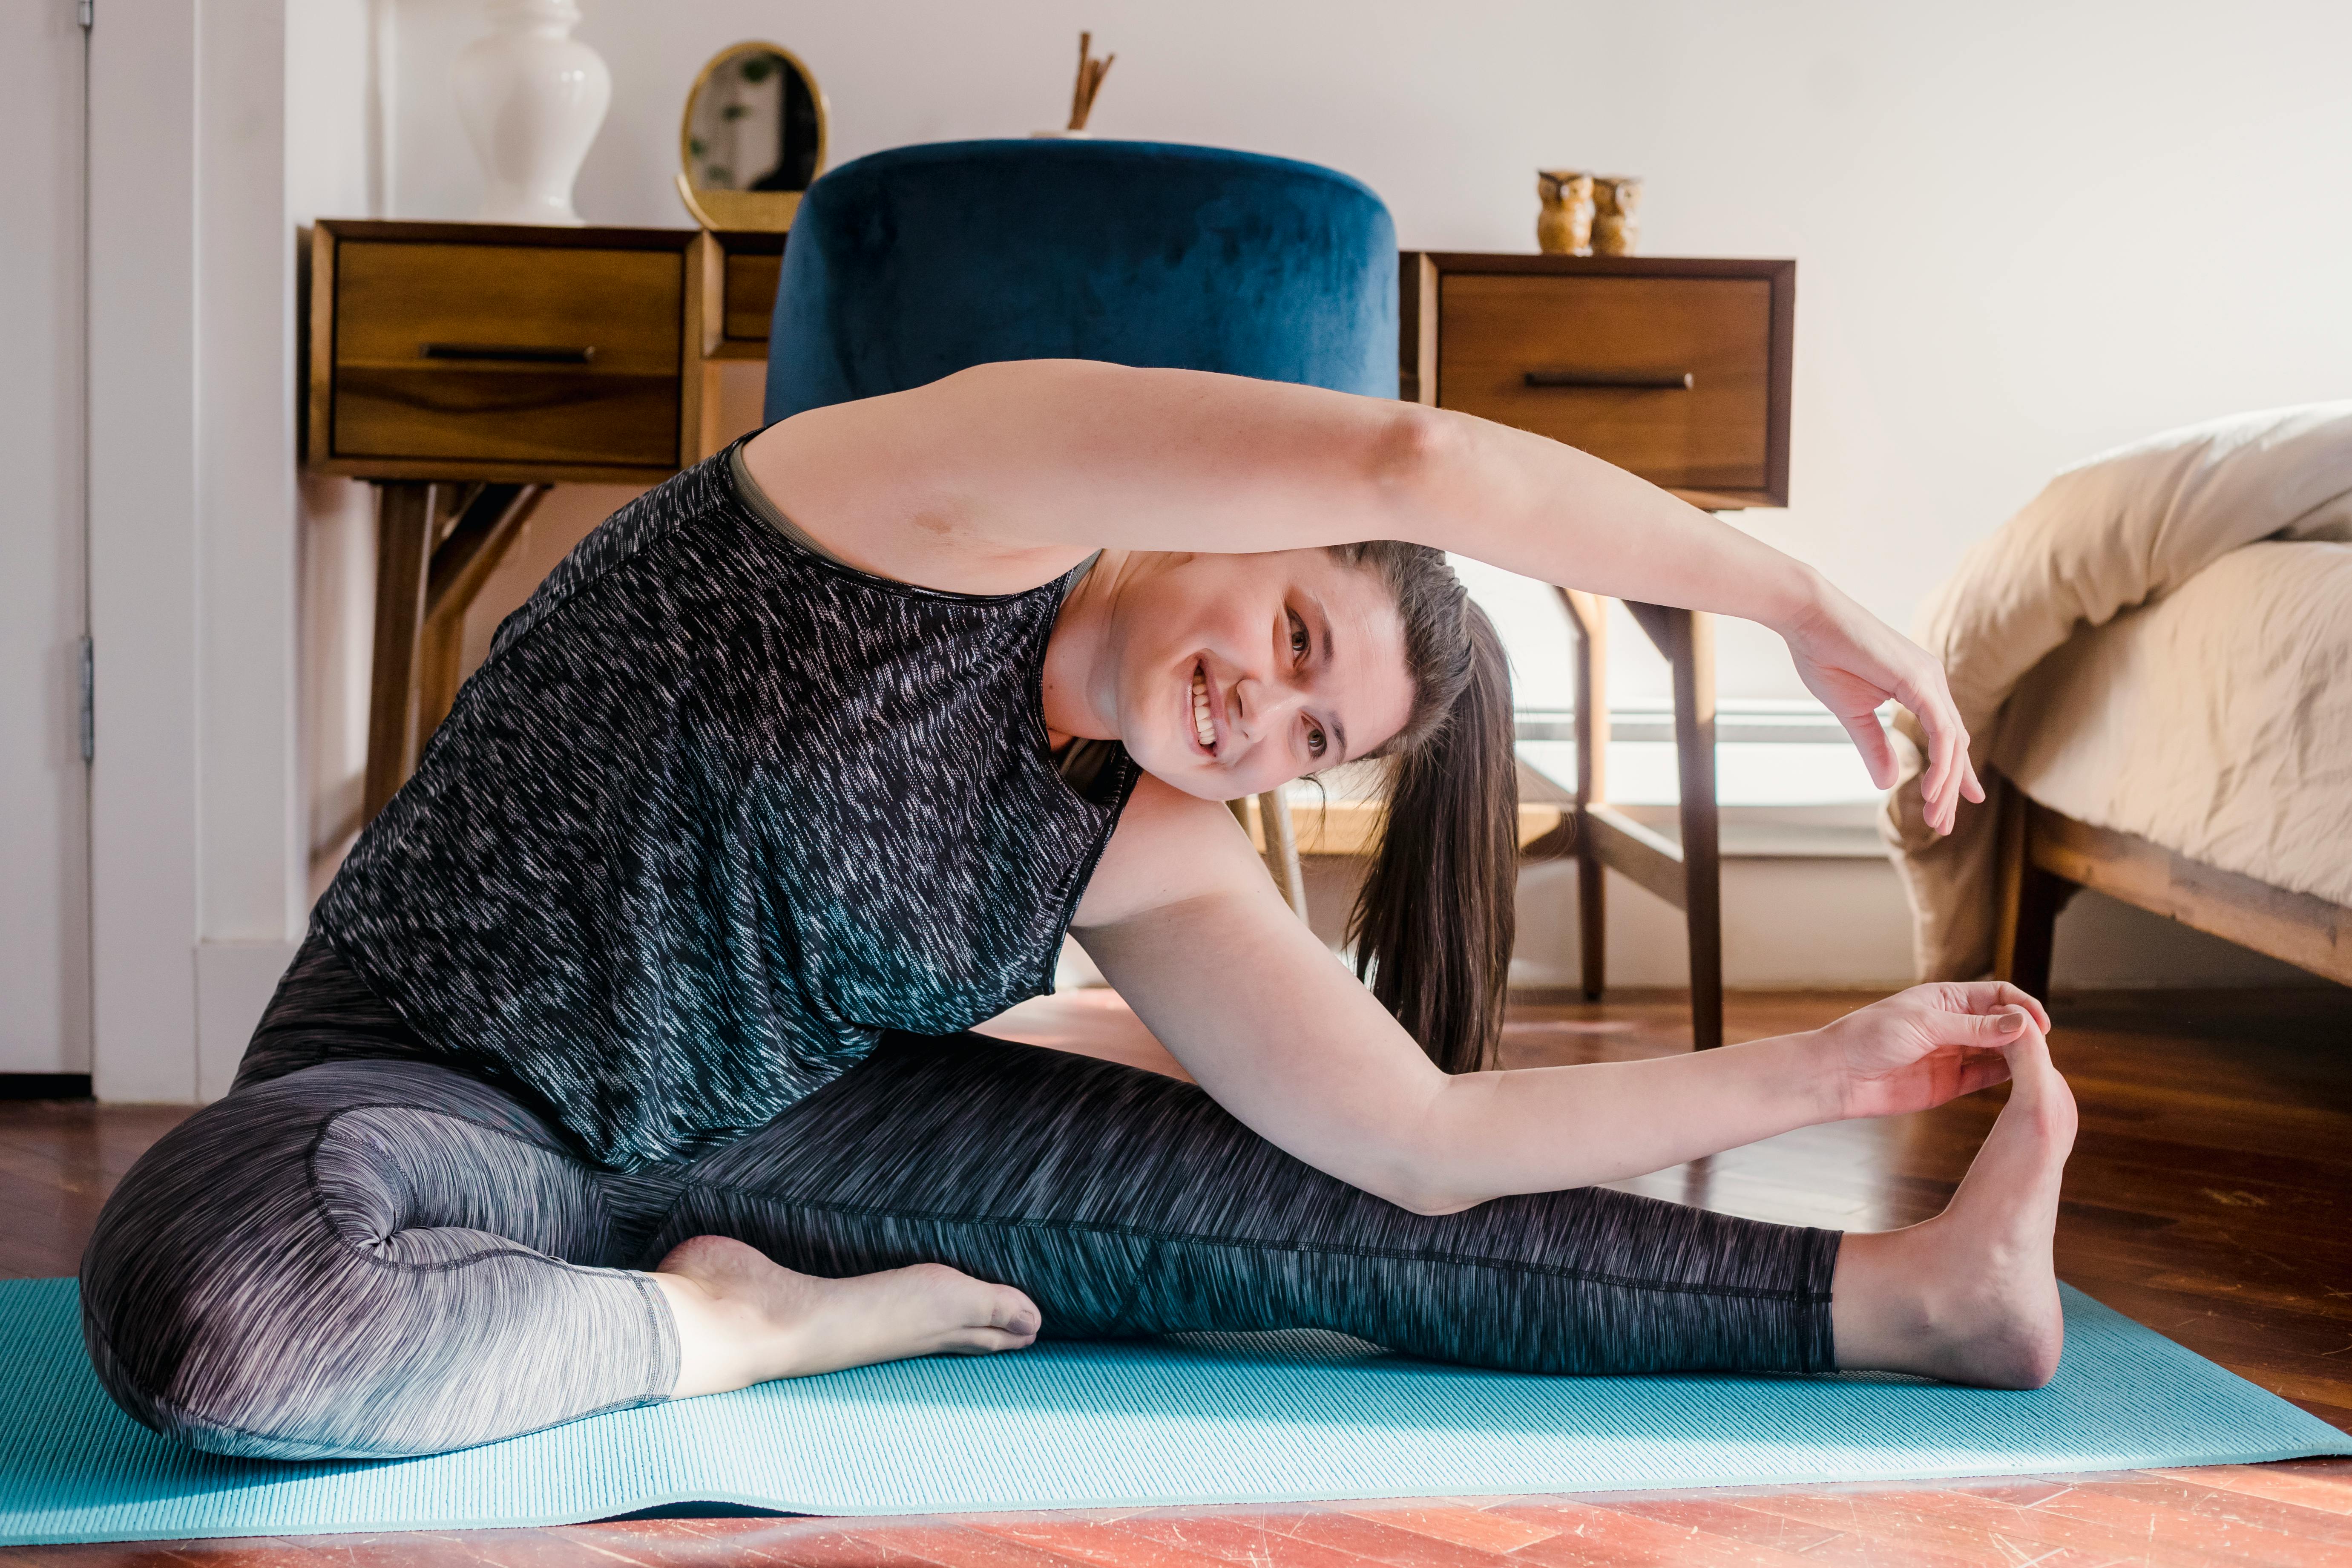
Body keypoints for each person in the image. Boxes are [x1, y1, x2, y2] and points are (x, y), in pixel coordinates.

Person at [80, 362, 2073, 1462]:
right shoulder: (929, 504)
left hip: (786, 1134)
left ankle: (1913, 1307)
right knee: (224, 1303)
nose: (1262, 716)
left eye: (1312, 740)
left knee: (1327, 1217)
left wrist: (1823, 1069)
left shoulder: (1144, 838)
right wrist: (1799, 601)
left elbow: (1424, 1141)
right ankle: (732, 1338)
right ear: (1226, 511)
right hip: (442, 1091)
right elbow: (1416, 453)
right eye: (1296, 632)